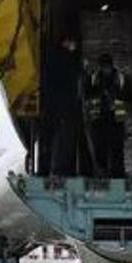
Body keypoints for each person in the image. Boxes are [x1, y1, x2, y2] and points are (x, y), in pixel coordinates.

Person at [40, 32, 85, 176]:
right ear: (66, 42)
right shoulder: (64, 59)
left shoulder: (54, 58)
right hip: (64, 107)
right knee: (64, 139)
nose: (74, 46)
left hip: (55, 107)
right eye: (72, 43)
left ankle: (52, 169)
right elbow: (70, 82)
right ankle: (61, 169)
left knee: (56, 138)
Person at [83, 53, 132, 177]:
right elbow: (86, 94)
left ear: (111, 66)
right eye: (103, 67)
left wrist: (114, 96)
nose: (105, 70)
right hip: (98, 118)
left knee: (116, 148)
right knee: (99, 148)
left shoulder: (121, 78)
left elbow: (129, 96)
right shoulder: (93, 78)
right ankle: (102, 173)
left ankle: (117, 175)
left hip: (116, 119)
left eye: (107, 67)